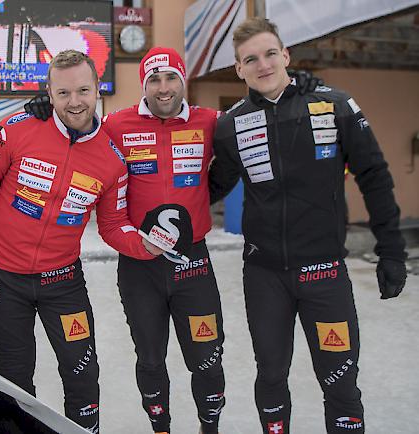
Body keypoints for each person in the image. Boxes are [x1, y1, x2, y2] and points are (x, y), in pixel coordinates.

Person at [209, 17, 407, 434]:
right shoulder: (230, 125)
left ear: (285, 55)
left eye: (269, 54)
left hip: (325, 274)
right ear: (239, 69)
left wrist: (391, 250)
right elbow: (210, 186)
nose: (262, 65)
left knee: (340, 380)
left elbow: (374, 176)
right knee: (271, 376)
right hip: (264, 277)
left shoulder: (334, 106)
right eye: (250, 59)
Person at [0, 49, 162, 433]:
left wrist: (145, 245)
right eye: (64, 93)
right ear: (49, 93)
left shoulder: (111, 158)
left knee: (83, 373)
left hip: (63, 283)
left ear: (97, 89)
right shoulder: (16, 129)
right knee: (14, 376)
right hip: (5, 280)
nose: (75, 102)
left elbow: (113, 224)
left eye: (84, 91)